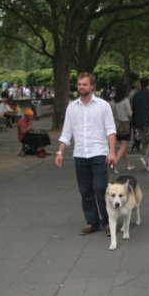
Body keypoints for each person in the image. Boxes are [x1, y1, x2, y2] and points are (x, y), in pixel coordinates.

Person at [55, 73, 117, 235]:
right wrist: (60, 152)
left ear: (92, 87)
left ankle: (108, 221)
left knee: (100, 187)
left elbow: (111, 130)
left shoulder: (103, 106)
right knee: (85, 190)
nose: (81, 87)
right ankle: (92, 222)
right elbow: (66, 132)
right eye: (79, 84)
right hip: (80, 154)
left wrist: (112, 152)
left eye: (85, 84)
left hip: (99, 153)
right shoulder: (72, 107)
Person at [131, 77, 149, 168]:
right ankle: (146, 158)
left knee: (144, 140)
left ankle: (145, 158)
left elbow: (133, 109)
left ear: (140, 83)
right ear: (148, 83)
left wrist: (134, 122)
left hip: (138, 121)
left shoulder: (136, 95)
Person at [109, 83, 134, 172]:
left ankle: (128, 165)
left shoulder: (112, 101)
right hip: (125, 124)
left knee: (122, 146)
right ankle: (114, 164)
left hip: (115, 125)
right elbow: (130, 113)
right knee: (124, 146)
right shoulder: (125, 101)